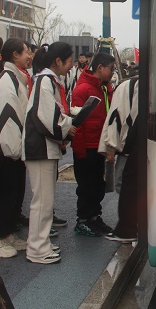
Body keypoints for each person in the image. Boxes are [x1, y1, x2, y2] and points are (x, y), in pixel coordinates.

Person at [23, 42, 75, 264]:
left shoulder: (47, 80)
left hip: (43, 148)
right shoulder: (45, 81)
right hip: (40, 148)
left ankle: (40, 243)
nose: (71, 66)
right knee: (42, 201)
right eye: (69, 61)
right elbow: (45, 117)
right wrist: (67, 128)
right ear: (58, 61)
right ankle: (37, 248)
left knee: (44, 200)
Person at [0, 39, 32, 255]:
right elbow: (6, 117)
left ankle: (7, 233)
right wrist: (13, 149)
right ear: (15, 55)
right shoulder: (7, 80)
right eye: (26, 52)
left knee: (14, 194)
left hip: (15, 148)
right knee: (4, 194)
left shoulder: (16, 78)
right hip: (8, 149)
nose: (29, 56)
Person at [70, 52, 115, 237]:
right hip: (86, 147)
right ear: (100, 68)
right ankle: (83, 220)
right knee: (86, 186)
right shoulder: (83, 90)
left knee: (97, 185)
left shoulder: (104, 88)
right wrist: (80, 150)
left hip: (99, 145)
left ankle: (94, 217)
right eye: (111, 69)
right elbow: (77, 123)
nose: (113, 72)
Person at [99, 72, 140, 243]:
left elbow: (115, 117)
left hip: (130, 148)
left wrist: (110, 147)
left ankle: (127, 228)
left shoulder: (127, 87)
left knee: (126, 186)